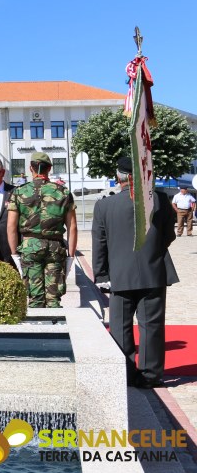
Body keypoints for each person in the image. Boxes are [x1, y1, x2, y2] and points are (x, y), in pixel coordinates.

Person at [92, 156, 178, 388]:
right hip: (153, 271)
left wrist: (101, 276)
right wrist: (152, 252)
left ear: (119, 177)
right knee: (151, 326)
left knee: (120, 326)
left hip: (119, 274)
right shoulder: (159, 199)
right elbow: (169, 234)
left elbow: (100, 243)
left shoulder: (104, 205)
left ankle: (125, 373)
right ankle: (151, 375)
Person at [7, 152, 77, 308]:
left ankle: (39, 330)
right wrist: (71, 256)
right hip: (55, 247)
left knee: (35, 297)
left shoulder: (18, 192)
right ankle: (57, 330)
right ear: (49, 168)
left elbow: (11, 226)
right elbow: (72, 227)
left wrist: (14, 254)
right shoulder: (63, 192)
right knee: (53, 298)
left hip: (30, 247)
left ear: (30, 168)